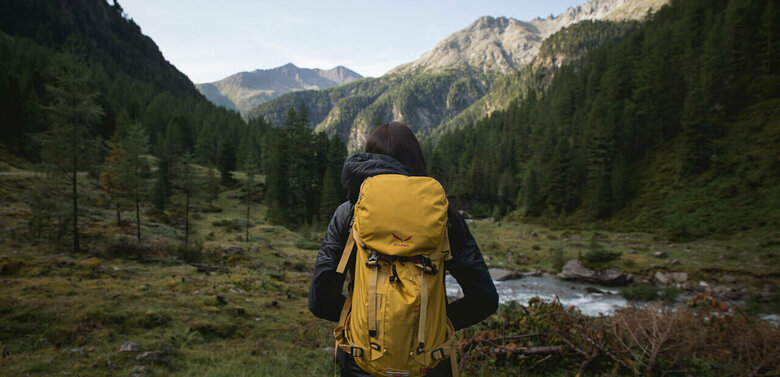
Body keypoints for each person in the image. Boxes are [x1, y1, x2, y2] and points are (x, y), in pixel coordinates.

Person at [309, 122, 499, 376]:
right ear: (416, 160)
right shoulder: (444, 215)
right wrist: (434, 322)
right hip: (429, 364)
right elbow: (485, 299)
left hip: (361, 363)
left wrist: (361, 319)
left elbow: (320, 301)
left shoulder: (349, 213)